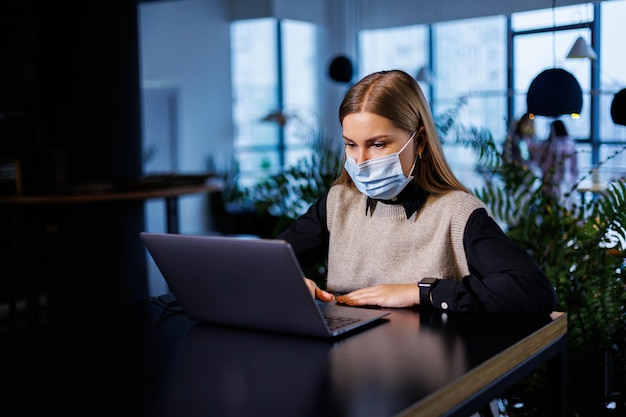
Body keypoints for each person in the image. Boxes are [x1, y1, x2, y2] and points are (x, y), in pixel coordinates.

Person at [276, 69, 556, 315]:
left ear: (419, 141)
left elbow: (533, 290)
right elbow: (265, 264)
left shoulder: (457, 213)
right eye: (351, 144)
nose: (359, 161)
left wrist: (421, 292)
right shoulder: (338, 203)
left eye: (377, 145)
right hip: (344, 359)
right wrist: (287, 281)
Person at [536, 119, 578, 198]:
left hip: (551, 183)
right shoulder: (570, 144)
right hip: (568, 181)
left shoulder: (550, 145)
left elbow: (544, 165)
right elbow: (574, 166)